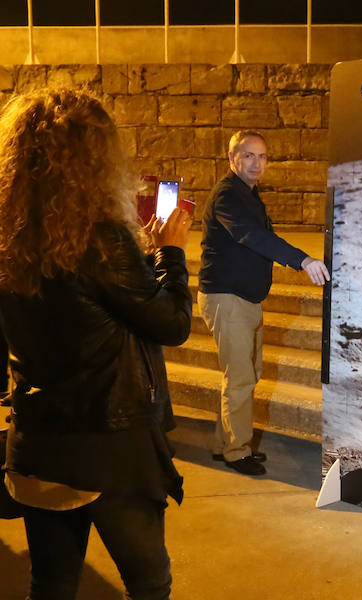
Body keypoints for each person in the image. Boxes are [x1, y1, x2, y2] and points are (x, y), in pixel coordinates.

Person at [0, 88, 192, 600]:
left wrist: (141, 258)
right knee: (149, 583)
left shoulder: (10, 239)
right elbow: (172, 323)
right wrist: (171, 253)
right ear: (92, 160)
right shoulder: (100, 238)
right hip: (112, 448)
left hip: (41, 442)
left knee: (53, 583)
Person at [198, 130, 329, 476]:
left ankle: (225, 443)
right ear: (232, 158)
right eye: (249, 156)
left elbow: (261, 237)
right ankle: (237, 451)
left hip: (245, 298)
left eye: (262, 157)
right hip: (226, 298)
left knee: (244, 374)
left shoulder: (250, 194)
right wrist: (301, 260)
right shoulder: (227, 195)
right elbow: (251, 236)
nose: (257, 163)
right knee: (241, 378)